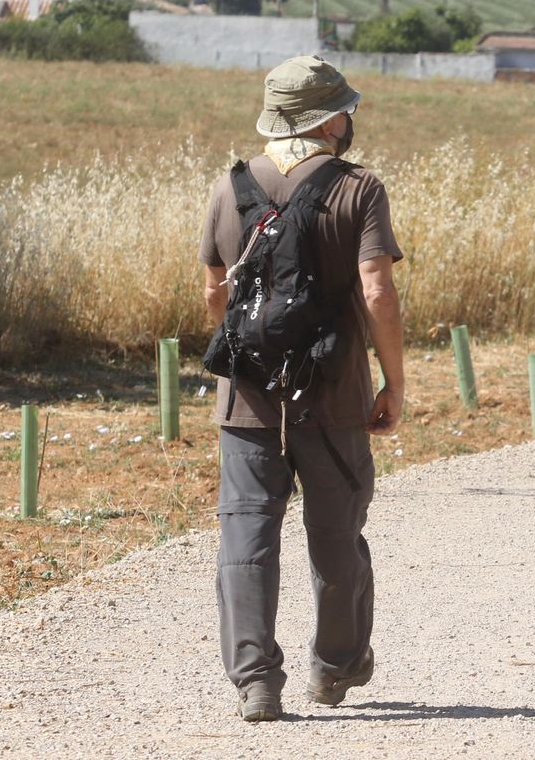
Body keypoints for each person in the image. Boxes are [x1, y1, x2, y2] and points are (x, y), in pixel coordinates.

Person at [200, 56, 405, 720]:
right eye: (346, 107)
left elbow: (213, 295)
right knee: (337, 530)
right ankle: (334, 664)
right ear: (330, 119)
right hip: (335, 391)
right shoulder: (360, 188)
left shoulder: (228, 187)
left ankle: (256, 681)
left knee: (246, 536)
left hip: (247, 399)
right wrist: (393, 381)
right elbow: (377, 288)